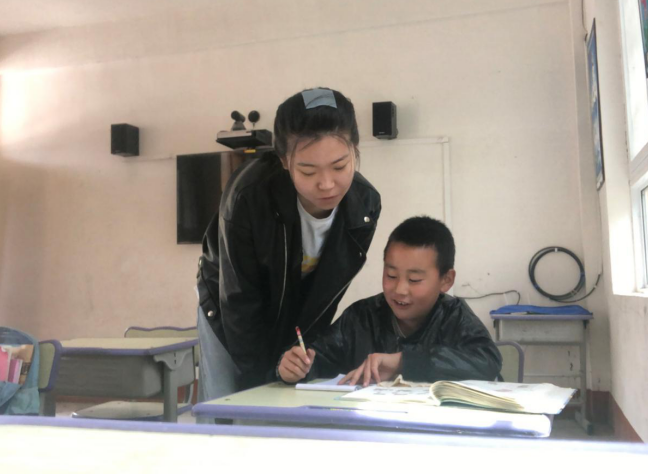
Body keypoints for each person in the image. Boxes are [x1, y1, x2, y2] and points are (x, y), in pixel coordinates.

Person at [196, 87, 382, 402]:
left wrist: (299, 356)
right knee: (232, 405)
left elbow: (325, 297)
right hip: (229, 309)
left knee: (293, 392)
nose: (327, 184)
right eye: (308, 171)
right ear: (284, 161)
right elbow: (239, 303)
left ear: (355, 150)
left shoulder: (364, 207)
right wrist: (265, 375)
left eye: (340, 166)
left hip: (296, 314)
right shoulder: (248, 197)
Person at [277, 216, 502, 387]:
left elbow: (488, 361)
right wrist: (292, 368)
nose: (400, 290)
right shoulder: (361, 318)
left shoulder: (453, 316)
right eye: (391, 275)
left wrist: (403, 362)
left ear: (446, 280)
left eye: (414, 279)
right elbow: (318, 358)